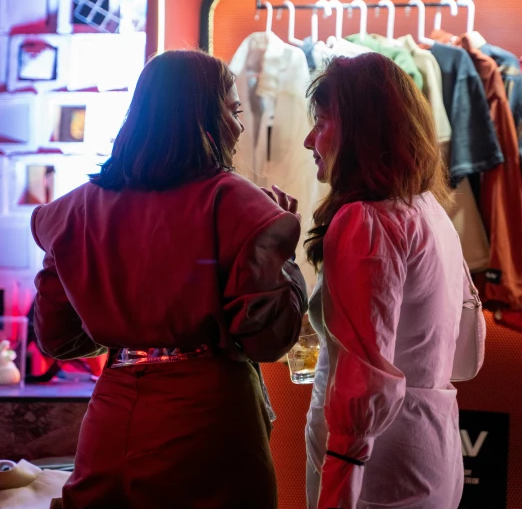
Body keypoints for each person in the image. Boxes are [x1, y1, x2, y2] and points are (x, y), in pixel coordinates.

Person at [31, 50, 307, 509]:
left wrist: (127, 326)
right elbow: (268, 340)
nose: (239, 128)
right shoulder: (241, 206)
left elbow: (57, 338)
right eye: (233, 111)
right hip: (209, 423)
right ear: (202, 116)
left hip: (111, 420)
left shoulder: (71, 211)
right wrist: (285, 259)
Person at [302, 53, 464, 509]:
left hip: (376, 470)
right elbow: (468, 351)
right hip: (433, 443)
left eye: (323, 122)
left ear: (359, 132)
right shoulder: (430, 211)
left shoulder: (366, 220)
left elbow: (363, 380)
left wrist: (337, 492)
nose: (309, 139)